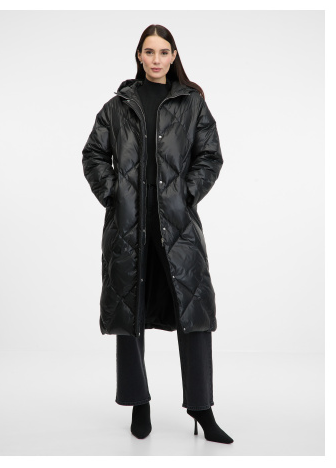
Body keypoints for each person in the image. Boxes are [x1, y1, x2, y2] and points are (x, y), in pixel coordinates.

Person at [82, 24, 233, 444]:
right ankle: (139, 403)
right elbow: (93, 153)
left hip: (178, 226)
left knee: (195, 313)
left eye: (163, 52)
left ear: (173, 55)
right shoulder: (117, 107)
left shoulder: (192, 103)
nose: (156, 59)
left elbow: (210, 156)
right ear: (139, 55)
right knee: (129, 314)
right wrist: (113, 193)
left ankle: (202, 408)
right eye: (149, 51)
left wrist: (187, 193)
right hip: (129, 226)